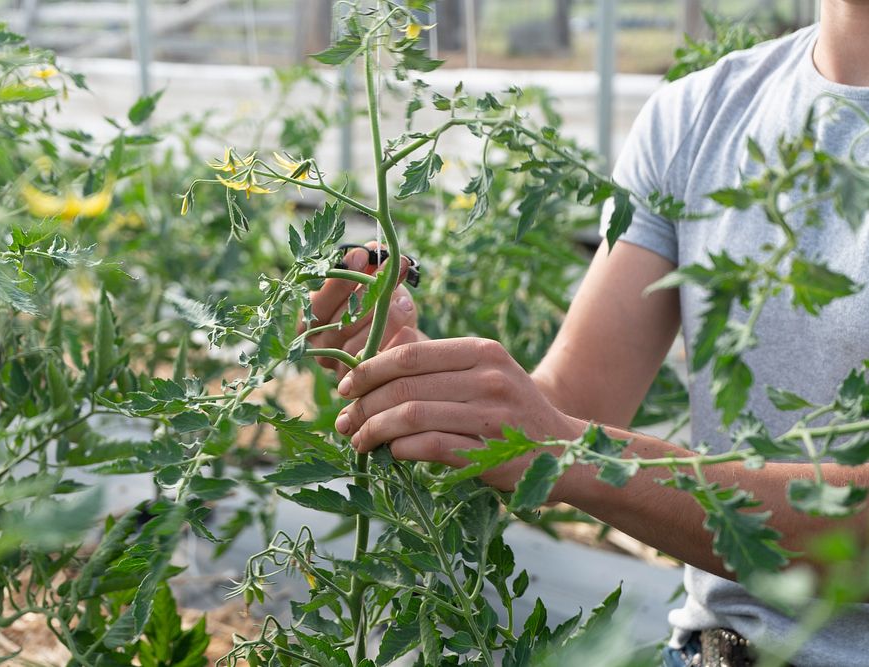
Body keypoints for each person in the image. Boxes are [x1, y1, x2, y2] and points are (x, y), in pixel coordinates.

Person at [307, 1, 869, 665]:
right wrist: (415, 376)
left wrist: (564, 446)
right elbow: (570, 410)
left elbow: (566, 440)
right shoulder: (698, 114)